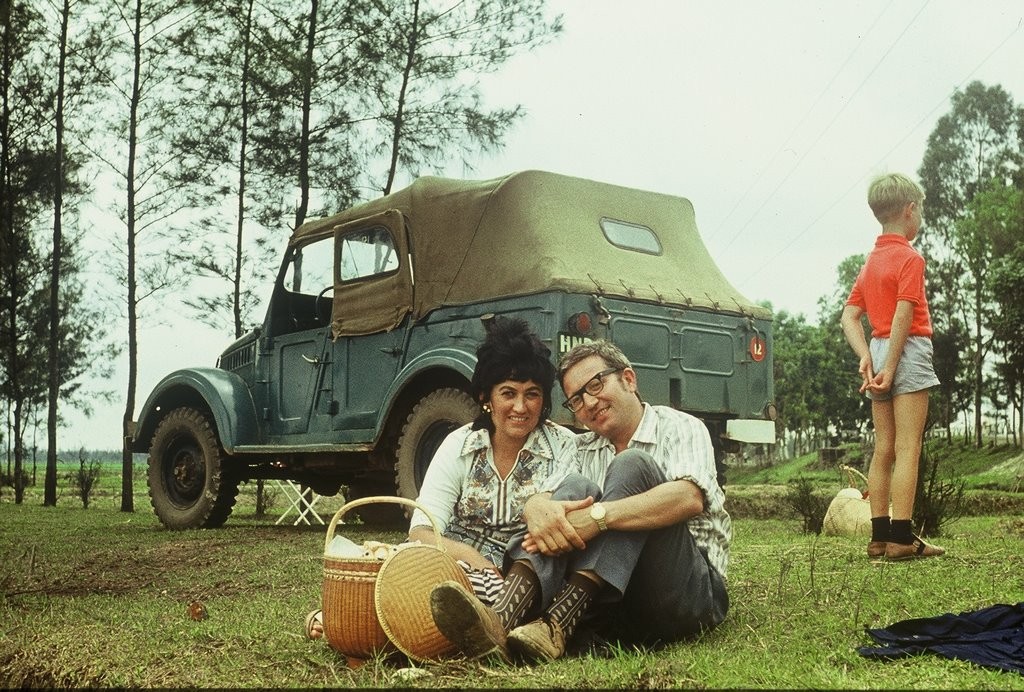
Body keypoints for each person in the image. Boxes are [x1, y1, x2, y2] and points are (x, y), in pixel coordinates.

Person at [429, 339, 730, 663]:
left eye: (596, 384)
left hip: (683, 592)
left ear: (628, 379)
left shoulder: (679, 427)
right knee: (575, 486)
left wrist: (599, 517)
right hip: (613, 602)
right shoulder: (581, 448)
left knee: (633, 465)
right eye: (576, 398)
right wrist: (537, 508)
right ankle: (502, 619)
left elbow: (689, 498)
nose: (589, 402)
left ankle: (556, 621)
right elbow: (547, 499)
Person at [306, 316, 579, 639]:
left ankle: (378, 619)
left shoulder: (562, 446)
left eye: (532, 394)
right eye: (508, 393)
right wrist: (474, 559)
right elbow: (422, 530)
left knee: (441, 599)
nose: (520, 406)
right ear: (485, 399)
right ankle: (372, 616)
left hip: (525, 576)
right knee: (415, 574)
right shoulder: (460, 445)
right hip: (456, 565)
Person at [840, 172, 943, 561]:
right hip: (908, 350)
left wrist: (867, 356)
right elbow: (905, 313)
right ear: (910, 210)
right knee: (908, 447)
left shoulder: (871, 263)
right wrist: (894, 363)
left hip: (880, 348)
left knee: (883, 447)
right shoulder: (910, 258)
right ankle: (903, 538)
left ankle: (879, 537)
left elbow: (850, 316)